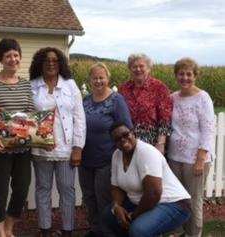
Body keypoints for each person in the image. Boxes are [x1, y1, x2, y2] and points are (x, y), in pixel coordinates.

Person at [0, 38, 34, 237]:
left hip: (22, 149)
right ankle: (0, 232)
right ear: (1, 59)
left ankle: (10, 227)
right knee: (0, 193)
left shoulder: (26, 86)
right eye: (8, 56)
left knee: (21, 189)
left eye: (16, 55)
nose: (13, 59)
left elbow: (31, 116)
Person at [29, 47, 86, 237]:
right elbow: (27, 117)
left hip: (66, 149)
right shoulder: (33, 86)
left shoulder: (70, 85)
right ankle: (45, 229)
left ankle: (67, 230)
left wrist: (78, 147)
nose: (51, 63)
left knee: (67, 191)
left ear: (60, 63)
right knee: (43, 189)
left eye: (54, 60)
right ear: (40, 64)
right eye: (46, 60)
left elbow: (80, 118)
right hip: (41, 149)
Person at [103, 121, 191, 237]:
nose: (123, 140)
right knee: (109, 215)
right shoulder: (117, 155)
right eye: (117, 139)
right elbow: (116, 187)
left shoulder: (146, 152)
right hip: (143, 202)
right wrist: (116, 206)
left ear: (133, 133)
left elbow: (154, 193)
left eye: (125, 135)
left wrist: (133, 216)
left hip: (173, 203)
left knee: (139, 230)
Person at [79, 62, 133, 237]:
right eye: (94, 77)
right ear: (90, 80)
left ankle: (108, 232)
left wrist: (126, 155)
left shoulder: (117, 100)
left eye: (101, 77)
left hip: (107, 159)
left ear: (108, 78)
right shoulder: (86, 100)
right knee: (89, 196)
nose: (98, 81)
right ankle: (95, 229)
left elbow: (126, 128)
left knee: (104, 198)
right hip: (85, 159)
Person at [167, 58, 215, 237]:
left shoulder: (203, 98)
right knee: (178, 199)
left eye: (189, 74)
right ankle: (182, 232)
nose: (185, 78)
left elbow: (208, 130)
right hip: (174, 157)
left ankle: (194, 234)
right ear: (176, 76)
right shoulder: (172, 97)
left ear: (195, 76)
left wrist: (200, 160)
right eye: (181, 74)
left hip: (195, 159)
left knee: (194, 200)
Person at [118, 53, 172, 154]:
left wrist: (160, 144)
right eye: (134, 66)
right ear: (130, 69)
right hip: (128, 143)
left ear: (148, 68)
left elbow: (165, 120)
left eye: (141, 66)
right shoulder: (123, 89)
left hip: (151, 144)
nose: (138, 69)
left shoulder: (159, 88)